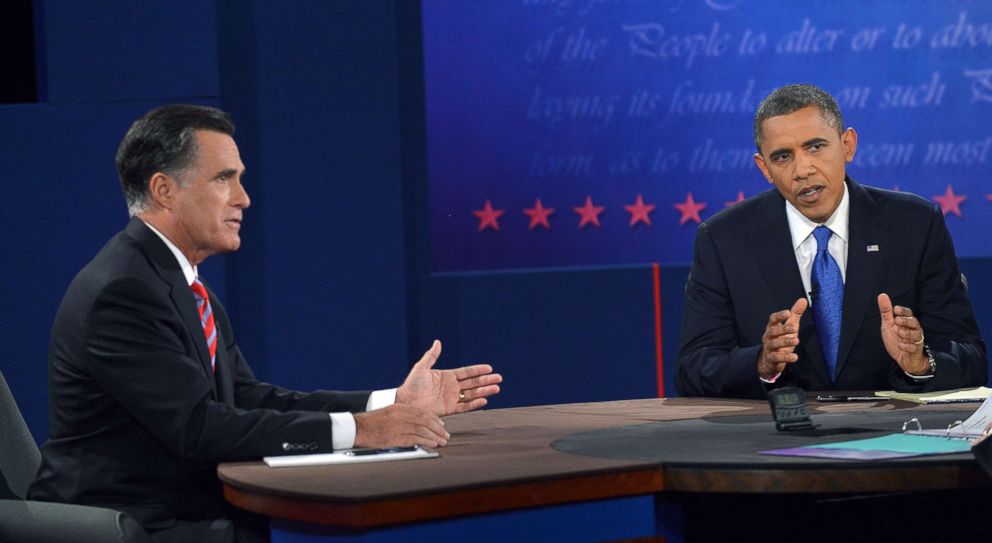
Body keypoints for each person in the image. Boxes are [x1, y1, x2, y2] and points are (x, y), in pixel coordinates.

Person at [27, 104, 502, 542]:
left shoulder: (181, 284)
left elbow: (247, 398)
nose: (244, 198)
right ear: (164, 190)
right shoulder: (123, 291)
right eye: (223, 179)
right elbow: (199, 429)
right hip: (133, 523)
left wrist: (389, 403)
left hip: (183, 507)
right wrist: (363, 431)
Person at [676, 84, 986, 399]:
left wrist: (918, 362)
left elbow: (971, 359)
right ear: (765, 168)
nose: (803, 170)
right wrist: (761, 363)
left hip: (890, 436)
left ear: (847, 144)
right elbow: (693, 369)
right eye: (783, 157)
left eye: (815, 147)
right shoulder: (724, 239)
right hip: (775, 437)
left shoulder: (914, 225)